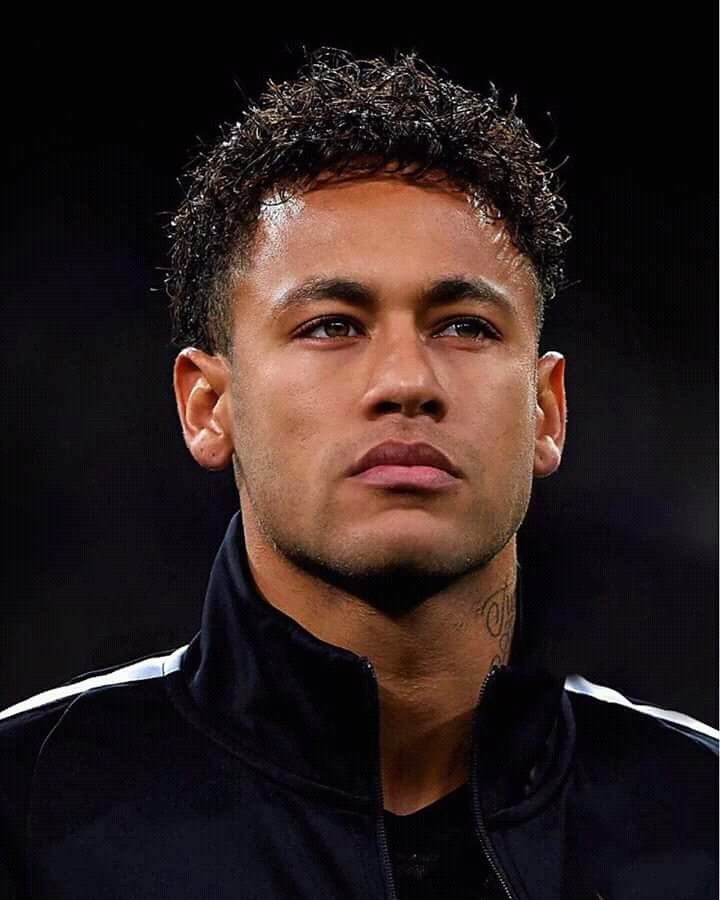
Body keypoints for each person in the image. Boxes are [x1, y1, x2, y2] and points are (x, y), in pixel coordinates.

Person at [0, 47, 716, 900]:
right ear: (207, 406)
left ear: (546, 411)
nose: (407, 381)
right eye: (332, 325)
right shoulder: (25, 814)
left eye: (464, 326)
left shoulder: (703, 818)